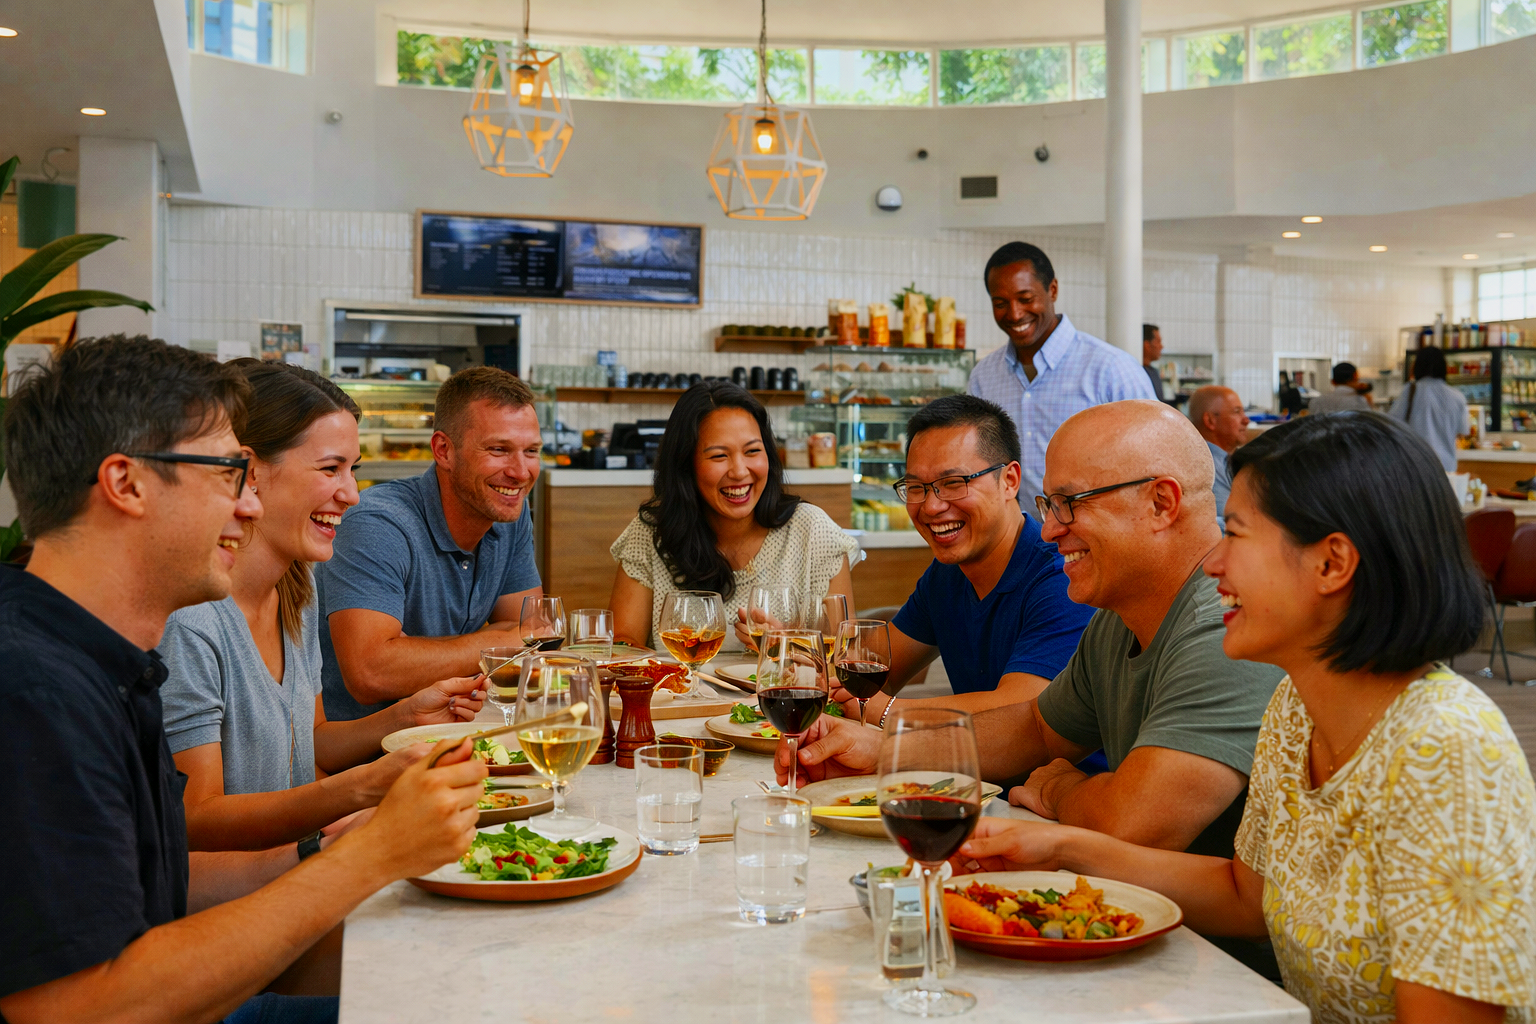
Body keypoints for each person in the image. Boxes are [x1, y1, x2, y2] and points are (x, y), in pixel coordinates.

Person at [953, 411, 1535, 1024]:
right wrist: (1059, 847)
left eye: (1235, 534)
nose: (1212, 563)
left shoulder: (1447, 750)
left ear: (1331, 564)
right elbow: (1246, 896)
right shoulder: (1296, 709)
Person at [0, 336, 485, 1024]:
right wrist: (366, 857)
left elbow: (161, 889)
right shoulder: (33, 691)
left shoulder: (100, 658)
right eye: (230, 472)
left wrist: (338, 844)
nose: (250, 505)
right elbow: (79, 1008)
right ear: (125, 483)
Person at [780, 400, 1285, 860]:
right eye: (1049, 505)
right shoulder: (1116, 616)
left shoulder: (1223, 624)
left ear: (1161, 503)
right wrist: (879, 752)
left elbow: (1135, 822)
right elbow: (1037, 729)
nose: (1048, 530)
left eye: (1071, 503)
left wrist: (1061, 790)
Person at [160, 361, 487, 853]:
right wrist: (357, 791)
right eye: (329, 468)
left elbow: (309, 741)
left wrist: (403, 719)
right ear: (250, 471)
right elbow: (195, 819)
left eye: (351, 470)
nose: (352, 495)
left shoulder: (298, 588)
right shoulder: (191, 620)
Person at [824, 394, 1092, 719]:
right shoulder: (948, 574)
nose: (931, 506)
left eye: (953, 483)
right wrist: (794, 648)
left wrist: (890, 711)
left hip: (1073, 771)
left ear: (1009, 481)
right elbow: (874, 666)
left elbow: (1024, 709)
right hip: (976, 770)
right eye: (916, 487)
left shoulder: (1061, 573)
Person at [317, 366, 544, 721]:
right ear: (443, 450)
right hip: (363, 759)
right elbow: (370, 673)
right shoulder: (378, 523)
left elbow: (529, 633)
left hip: (454, 733)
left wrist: (412, 653)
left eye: (531, 451)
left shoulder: (508, 512)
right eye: (499, 449)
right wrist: (504, 640)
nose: (520, 471)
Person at [610, 381, 856, 652]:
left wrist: (788, 647)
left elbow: (843, 660)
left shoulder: (813, 531)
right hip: (676, 693)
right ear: (685, 466)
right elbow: (624, 645)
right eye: (719, 456)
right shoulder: (651, 533)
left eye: (752, 451)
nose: (740, 471)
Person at [967, 241, 1156, 502]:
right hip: (1015, 539)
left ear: (1052, 290)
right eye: (1000, 303)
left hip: (1093, 538)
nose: (1015, 313)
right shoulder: (983, 377)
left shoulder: (1112, 369)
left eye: (1026, 299)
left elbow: (1155, 460)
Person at [1389, 346, 1468, 472]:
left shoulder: (1410, 391)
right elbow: (1462, 432)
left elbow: (1392, 423)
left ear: (1417, 366)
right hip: (1447, 465)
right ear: (1444, 367)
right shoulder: (1458, 397)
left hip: (1415, 464)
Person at [1188, 385, 1251, 530]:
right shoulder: (1206, 466)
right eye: (1236, 412)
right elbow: (1224, 529)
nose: (1246, 420)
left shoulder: (1223, 460)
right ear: (1210, 420)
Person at [1308, 361, 1372, 415]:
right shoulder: (1360, 400)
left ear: (1333, 382)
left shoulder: (1316, 402)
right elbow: (1371, 423)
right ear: (1355, 376)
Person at [1142, 324, 1166, 401]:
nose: (1161, 346)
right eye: (1158, 342)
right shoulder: (1138, 373)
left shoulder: (1153, 372)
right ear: (1147, 345)